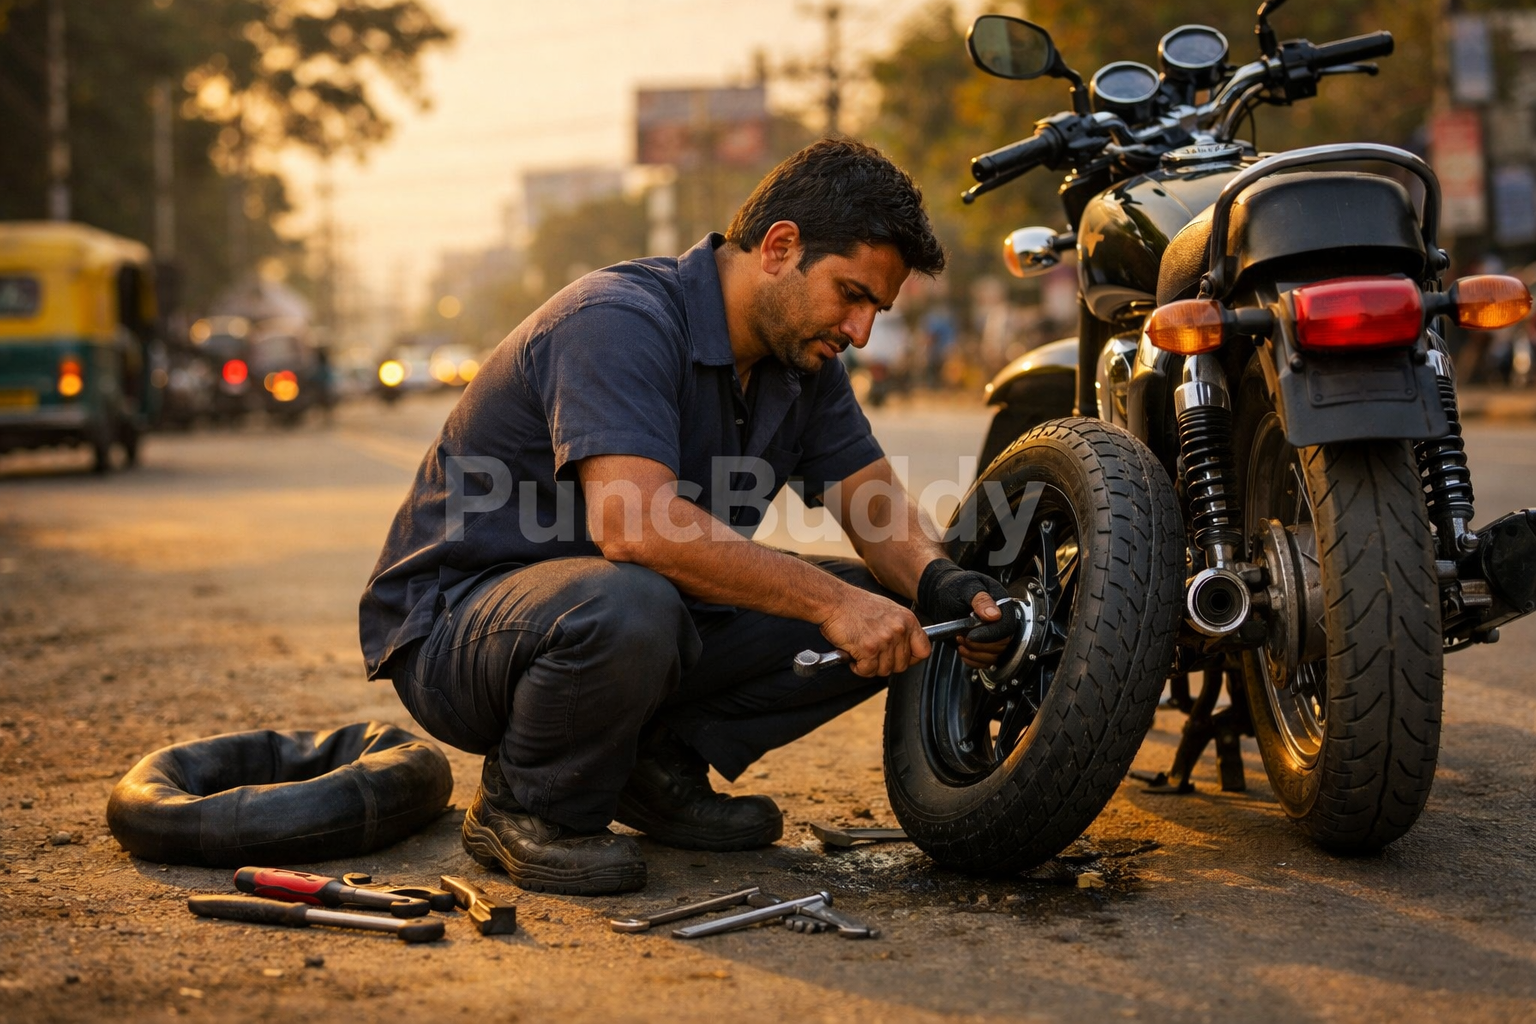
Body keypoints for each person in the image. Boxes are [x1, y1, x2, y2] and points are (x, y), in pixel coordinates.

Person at [360, 138, 1018, 895]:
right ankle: (528, 805)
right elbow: (634, 527)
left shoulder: (806, 365)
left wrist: (945, 590)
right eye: (851, 294)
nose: (862, 330)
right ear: (779, 247)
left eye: (877, 307)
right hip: (463, 629)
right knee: (637, 599)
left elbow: (876, 512)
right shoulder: (619, 320)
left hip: (623, 615)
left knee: (895, 609)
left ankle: (649, 765)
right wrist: (835, 603)